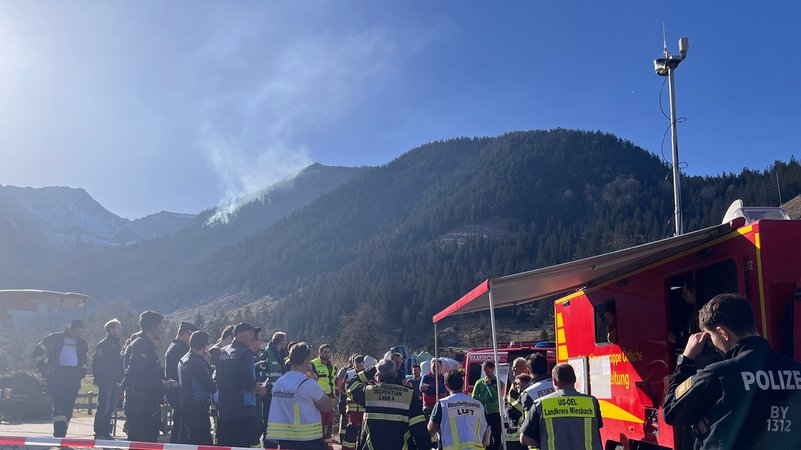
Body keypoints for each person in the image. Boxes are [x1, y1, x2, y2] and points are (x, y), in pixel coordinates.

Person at [663, 293, 801, 449]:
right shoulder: (796, 371)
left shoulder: (718, 374)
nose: (714, 345)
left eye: (711, 337)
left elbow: (672, 412)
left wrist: (685, 360)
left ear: (723, 333)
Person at [347, 358, 432, 450]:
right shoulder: (409, 395)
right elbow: (420, 431)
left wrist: (370, 371)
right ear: (395, 374)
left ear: (377, 375)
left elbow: (351, 385)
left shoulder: (369, 392)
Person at [265, 342, 333, 450]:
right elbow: (327, 407)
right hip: (308, 440)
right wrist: (312, 378)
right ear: (307, 360)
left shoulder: (279, 383)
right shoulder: (308, 384)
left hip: (285, 439)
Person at [123, 311, 179, 442]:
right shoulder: (141, 345)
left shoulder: (147, 346)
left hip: (147, 404)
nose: (163, 330)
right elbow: (134, 377)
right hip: (141, 405)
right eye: (161, 327)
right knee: (142, 441)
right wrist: (163, 384)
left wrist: (164, 381)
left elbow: (150, 374)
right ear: (153, 328)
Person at [520, 363, 603, 450]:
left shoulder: (541, 404)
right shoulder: (591, 402)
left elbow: (525, 439)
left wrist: (543, 441)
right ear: (574, 380)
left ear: (555, 381)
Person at [214, 322, 267, 447]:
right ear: (239, 334)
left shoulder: (223, 352)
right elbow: (247, 381)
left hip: (225, 409)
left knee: (225, 445)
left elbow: (217, 378)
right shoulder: (245, 353)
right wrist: (260, 390)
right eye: (250, 333)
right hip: (243, 410)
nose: (253, 337)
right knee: (241, 445)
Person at [33, 319, 89, 437]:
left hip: (73, 377)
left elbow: (84, 361)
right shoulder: (54, 338)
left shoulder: (82, 343)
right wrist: (44, 368)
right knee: (59, 404)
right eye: (75, 332)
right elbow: (37, 351)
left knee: (69, 406)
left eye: (79, 332)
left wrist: (82, 372)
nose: (77, 335)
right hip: (57, 375)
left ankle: (63, 431)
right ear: (70, 328)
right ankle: (59, 434)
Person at [428, 369, 490, 449]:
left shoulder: (443, 404)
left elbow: (430, 431)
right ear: (463, 384)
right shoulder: (478, 405)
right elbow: (485, 432)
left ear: (446, 385)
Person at [178, 330, 216, 445]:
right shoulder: (197, 362)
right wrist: (208, 364)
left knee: (192, 439)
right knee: (204, 441)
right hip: (198, 406)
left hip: (186, 403)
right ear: (205, 346)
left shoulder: (183, 359)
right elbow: (211, 387)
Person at [164, 320, 199, 443]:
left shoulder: (174, 346)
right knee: (181, 427)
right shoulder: (181, 348)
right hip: (179, 390)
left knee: (182, 425)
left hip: (177, 390)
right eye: (191, 335)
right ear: (185, 333)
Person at [92, 318, 124, 439]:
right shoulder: (103, 344)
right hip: (106, 379)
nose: (120, 330)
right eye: (118, 327)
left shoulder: (117, 344)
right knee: (104, 405)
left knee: (111, 406)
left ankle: (106, 431)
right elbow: (96, 363)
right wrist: (99, 378)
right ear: (111, 329)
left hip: (116, 379)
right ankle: (99, 432)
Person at [256, 331, 289, 446]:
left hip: (279, 392)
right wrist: (264, 385)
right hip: (269, 392)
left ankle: (275, 440)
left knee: (277, 418)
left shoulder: (281, 354)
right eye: (285, 339)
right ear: (280, 340)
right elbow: (260, 371)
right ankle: (268, 441)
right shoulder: (266, 353)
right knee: (268, 417)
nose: (286, 342)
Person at [311, 344, 338, 448]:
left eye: (328, 352)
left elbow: (335, 382)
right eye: (325, 352)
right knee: (319, 426)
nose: (327, 354)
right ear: (320, 353)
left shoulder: (333, 366)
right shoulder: (313, 364)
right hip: (318, 399)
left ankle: (328, 447)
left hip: (330, 400)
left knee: (328, 426)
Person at [471, 360, 502, 450]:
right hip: (482, 412)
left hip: (494, 412)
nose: (486, 373)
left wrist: (489, 386)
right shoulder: (479, 382)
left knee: (496, 434)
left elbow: (496, 397)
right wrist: (487, 400)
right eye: (484, 371)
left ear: (493, 370)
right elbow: (474, 396)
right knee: (481, 433)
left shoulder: (498, 382)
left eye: (488, 371)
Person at [341, 355, 366, 450]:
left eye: (361, 366)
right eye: (357, 366)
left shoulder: (368, 374)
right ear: (354, 364)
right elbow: (343, 389)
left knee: (363, 432)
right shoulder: (349, 374)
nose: (359, 368)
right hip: (353, 408)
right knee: (352, 430)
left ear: (364, 364)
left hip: (364, 408)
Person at [505, 374, 532, 450]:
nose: (516, 386)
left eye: (518, 384)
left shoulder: (526, 398)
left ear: (527, 384)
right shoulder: (521, 396)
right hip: (521, 437)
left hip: (520, 439)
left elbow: (515, 408)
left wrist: (511, 396)